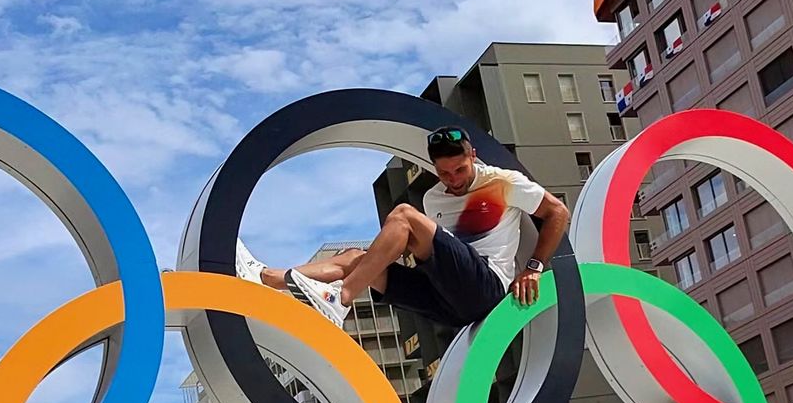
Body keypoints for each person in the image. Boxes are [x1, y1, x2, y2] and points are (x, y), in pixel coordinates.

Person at [244, 126, 570, 330]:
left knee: (403, 215)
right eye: (444, 173)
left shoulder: (503, 182)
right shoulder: (433, 198)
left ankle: (341, 298)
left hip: (486, 287)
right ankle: (266, 278)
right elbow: (431, 252)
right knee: (356, 258)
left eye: (460, 169)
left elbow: (557, 212)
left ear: (473, 156)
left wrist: (533, 268)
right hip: (447, 303)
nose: (453, 180)